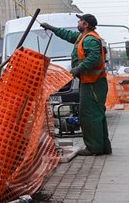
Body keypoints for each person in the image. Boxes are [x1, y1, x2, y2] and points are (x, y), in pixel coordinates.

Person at [39, 13, 112, 156]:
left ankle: (94, 148)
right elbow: (66, 34)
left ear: (85, 25)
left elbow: (94, 58)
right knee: (96, 114)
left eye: (80, 21)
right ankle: (103, 146)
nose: (78, 22)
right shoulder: (82, 37)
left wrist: (77, 69)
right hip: (91, 82)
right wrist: (52, 28)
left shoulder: (90, 39)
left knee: (90, 116)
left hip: (93, 83)